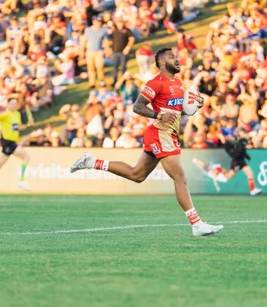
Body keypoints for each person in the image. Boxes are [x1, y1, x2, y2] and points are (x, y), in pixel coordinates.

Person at [70, 48, 223, 237]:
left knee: (137, 175)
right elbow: (138, 106)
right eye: (171, 57)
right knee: (180, 178)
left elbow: (175, 111)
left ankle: (93, 162)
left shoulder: (178, 83)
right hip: (161, 133)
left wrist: (192, 107)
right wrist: (158, 114)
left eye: (176, 56)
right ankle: (197, 224)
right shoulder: (155, 83)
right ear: (160, 64)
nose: (176, 59)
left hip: (167, 133)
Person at [193, 128, 262, 196]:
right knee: (229, 176)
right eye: (245, 133)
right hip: (237, 162)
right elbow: (235, 152)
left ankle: (253, 190)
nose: (246, 134)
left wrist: (246, 156)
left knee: (250, 173)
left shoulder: (243, 141)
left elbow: (242, 151)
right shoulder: (238, 141)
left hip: (241, 161)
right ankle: (219, 169)